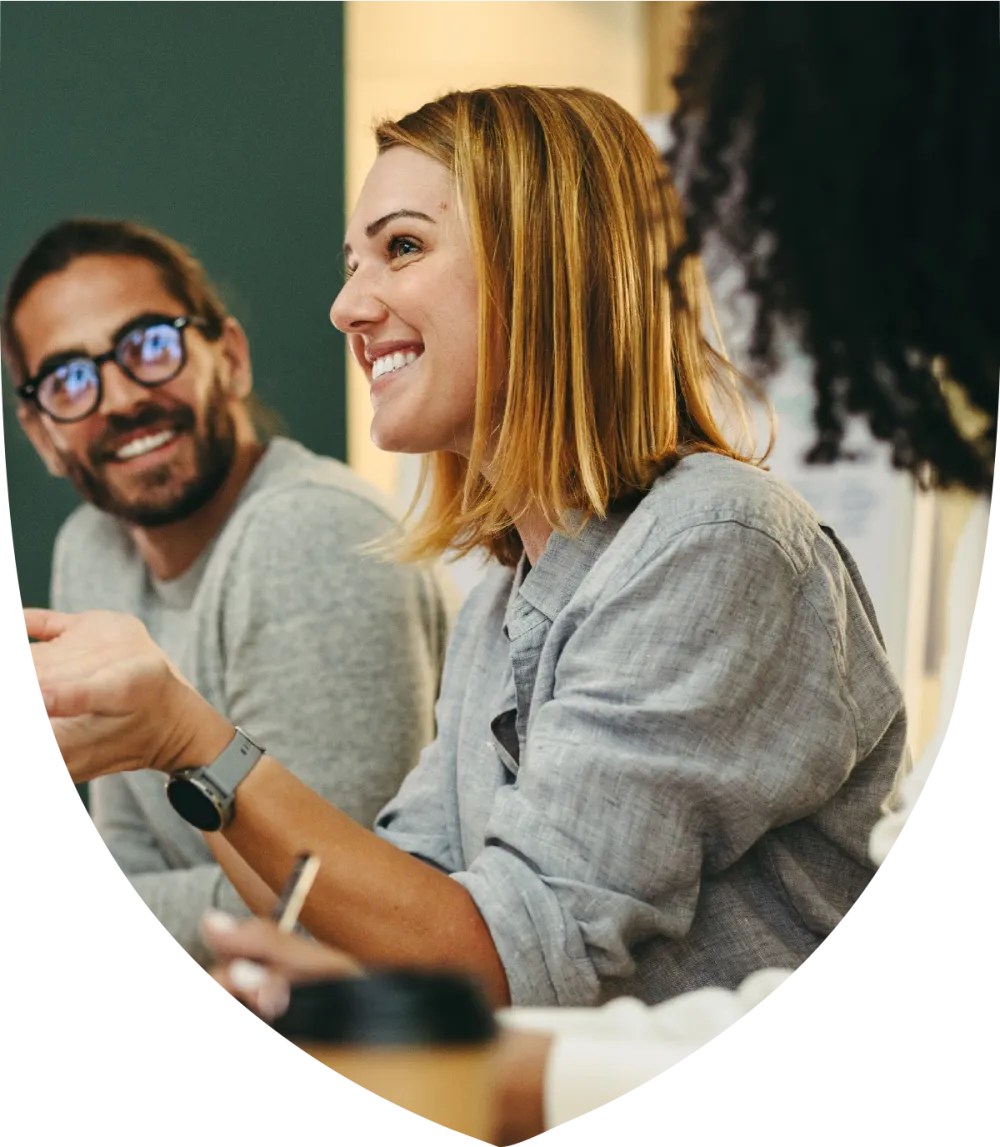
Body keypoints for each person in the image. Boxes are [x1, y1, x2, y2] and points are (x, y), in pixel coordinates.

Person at [25, 87, 907, 1016]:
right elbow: (373, 911)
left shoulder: (715, 543)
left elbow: (502, 959)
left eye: (401, 248)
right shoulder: (508, 593)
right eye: (353, 261)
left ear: (543, 267)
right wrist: (181, 758)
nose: (344, 307)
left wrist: (188, 736)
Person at [5, 219, 449, 969]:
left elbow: (331, 917)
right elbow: (131, 862)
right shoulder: (92, 547)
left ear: (232, 358)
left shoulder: (310, 535)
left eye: (149, 344)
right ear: (44, 433)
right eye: (70, 380)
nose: (117, 399)